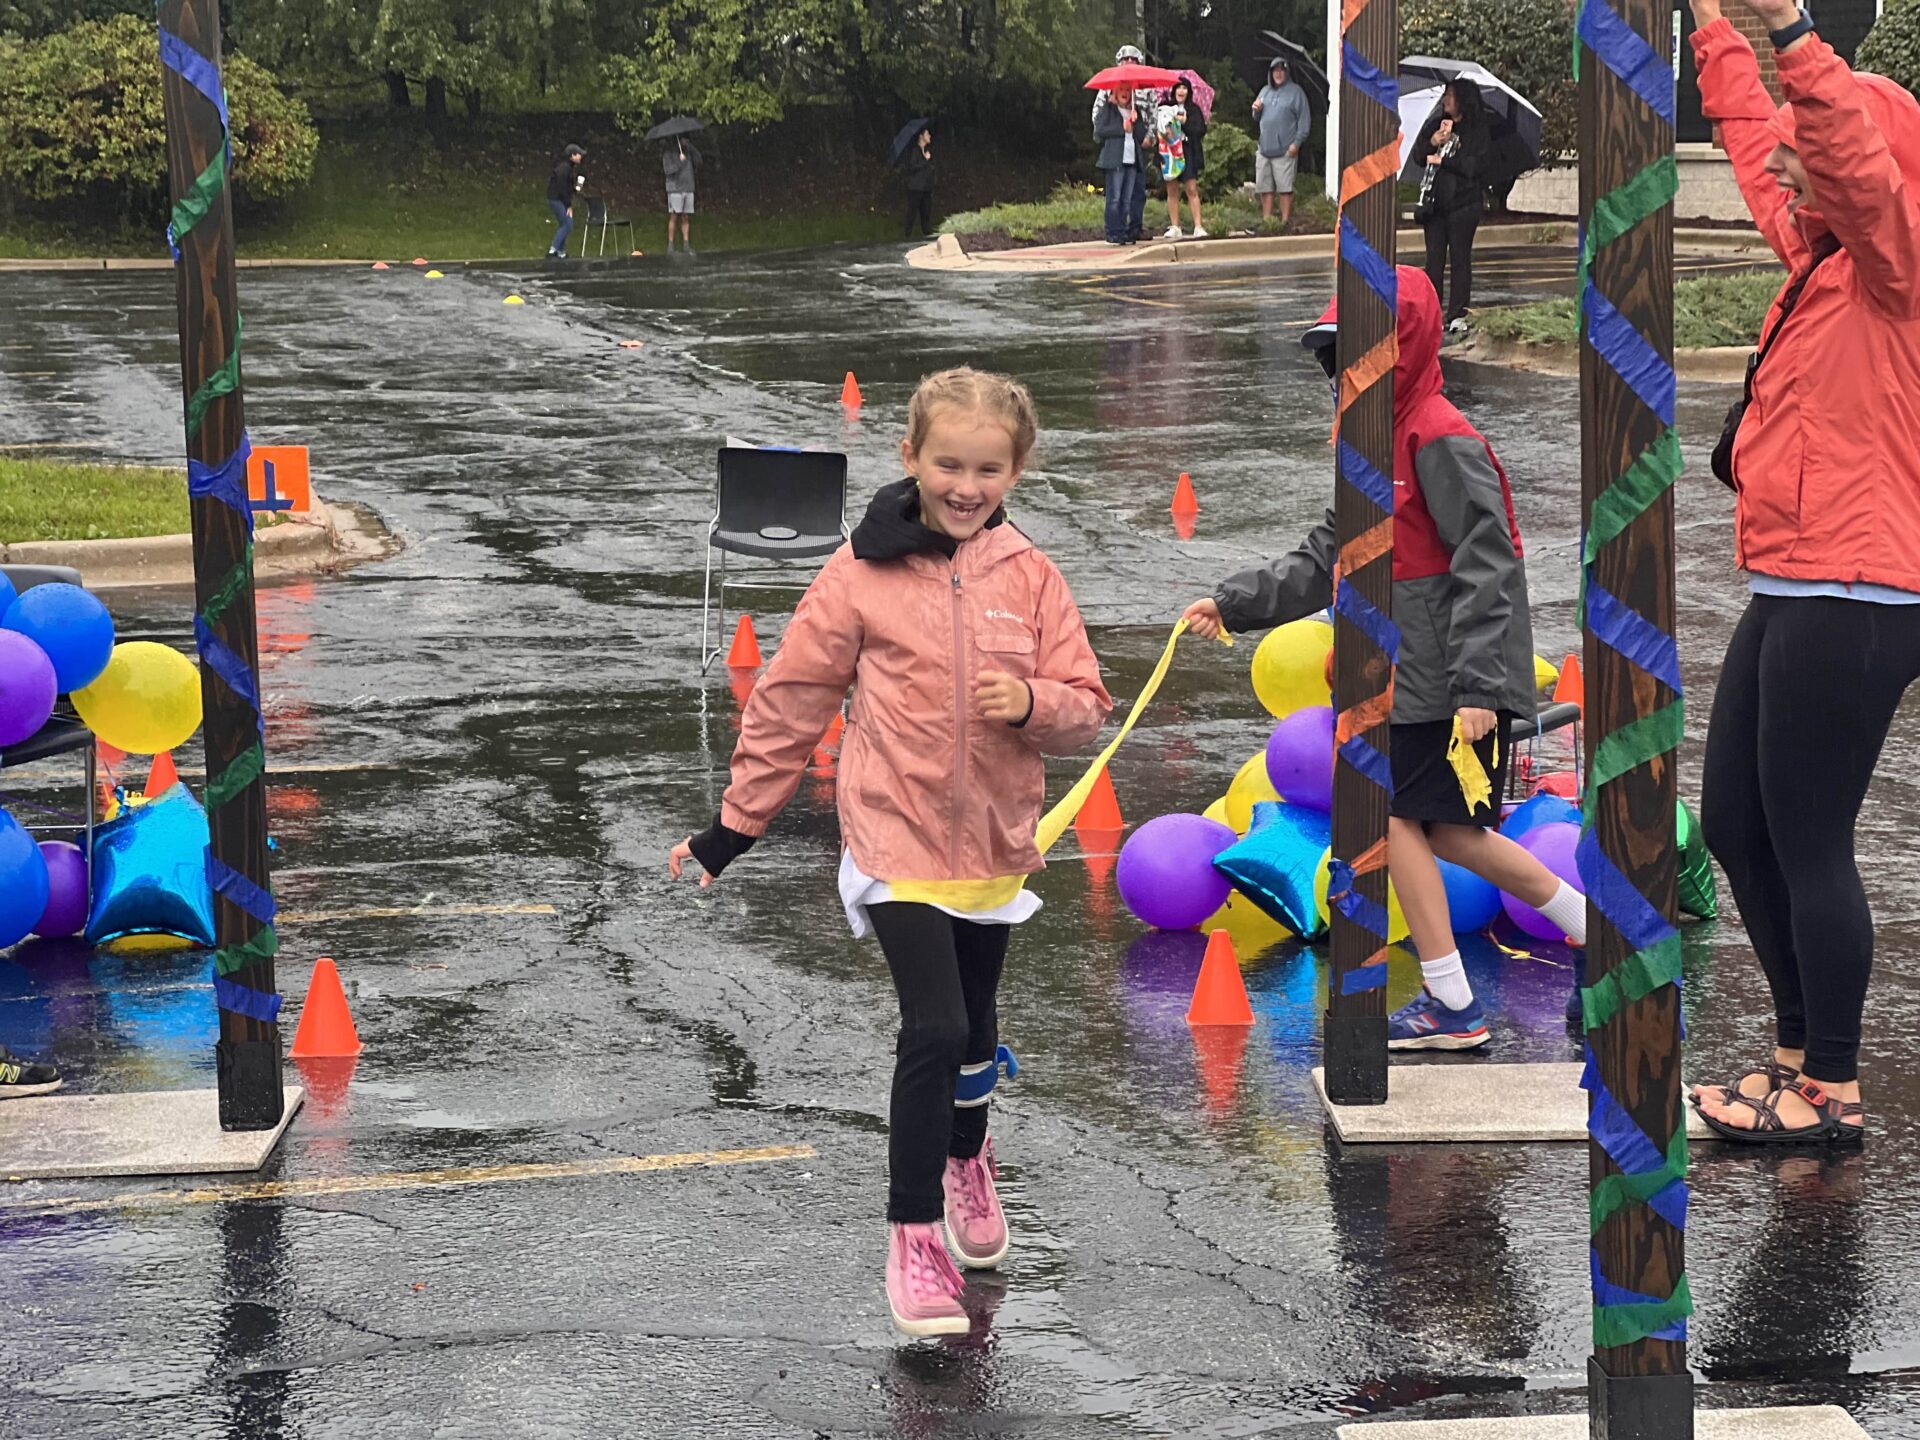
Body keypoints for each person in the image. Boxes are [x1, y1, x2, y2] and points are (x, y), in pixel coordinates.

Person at [669, 368, 1112, 1335]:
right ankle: (912, 1236)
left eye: (988, 469)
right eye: (948, 464)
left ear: (1016, 471)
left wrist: (1033, 704)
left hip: (993, 843)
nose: (966, 485)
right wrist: (733, 828)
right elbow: (791, 698)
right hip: (893, 836)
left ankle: (967, 1157)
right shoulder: (857, 575)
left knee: (979, 1029)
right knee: (937, 1027)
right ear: (910, 458)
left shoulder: (1031, 576)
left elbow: (1085, 704)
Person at [1181, 268, 1586, 1051]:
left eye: (1364, 353)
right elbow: (1328, 553)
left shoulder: (1438, 435)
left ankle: (1452, 1001)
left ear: (1405, 348)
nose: (1347, 373)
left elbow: (1490, 564)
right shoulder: (1370, 440)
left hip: (1442, 683)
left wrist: (1479, 688)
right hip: (1398, 677)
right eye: (1340, 357)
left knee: (1392, 816)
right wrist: (1235, 602)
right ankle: (1593, 933)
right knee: (1450, 834)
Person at [1685, 0, 1920, 1144]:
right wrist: (1712, 25)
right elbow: (1751, 135)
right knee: (1736, 824)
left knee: (1810, 838)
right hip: (1795, 579)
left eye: (1803, 149)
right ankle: (1791, 1058)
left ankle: (1831, 1087)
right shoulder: (1820, 260)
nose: (1782, 163)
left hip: (1861, 587)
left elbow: (1857, 164)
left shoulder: (1893, 266)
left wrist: (1787, 25)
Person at [1417, 81, 1491, 331]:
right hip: (1435, 204)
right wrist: (1432, 141)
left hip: (1464, 203)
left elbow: (1475, 166)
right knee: (1433, 260)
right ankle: (1432, 312)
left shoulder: (1476, 129)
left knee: (1460, 258)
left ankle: (1458, 313)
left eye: (1451, 95)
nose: (1445, 100)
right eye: (1445, 95)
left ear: (1463, 100)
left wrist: (1446, 160)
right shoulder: (1436, 124)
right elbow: (1419, 156)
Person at [1093, 45, 1159, 241]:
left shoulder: (1146, 88)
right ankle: (1115, 231)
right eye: (1126, 59)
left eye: (1133, 59)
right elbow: (1098, 120)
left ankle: (1134, 228)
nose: (1129, 62)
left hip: (1137, 147)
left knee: (1136, 192)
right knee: (1116, 194)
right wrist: (1119, 128)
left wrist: (1149, 135)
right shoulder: (1107, 89)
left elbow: (1154, 114)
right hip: (1116, 150)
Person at [1252, 58, 1311, 226]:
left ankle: (1284, 223)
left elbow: (1304, 121)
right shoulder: (1264, 91)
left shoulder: (1296, 93)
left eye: (1281, 70)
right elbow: (1256, 117)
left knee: (1285, 188)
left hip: (1285, 149)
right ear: (1271, 73)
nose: (1278, 74)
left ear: (1287, 72)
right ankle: (1267, 222)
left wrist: (1296, 144)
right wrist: (1256, 110)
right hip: (1264, 149)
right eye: (1275, 70)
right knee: (1265, 188)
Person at [1094, 85, 1146, 245]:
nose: (1125, 93)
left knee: (1126, 199)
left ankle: (1122, 231)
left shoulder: (1134, 110)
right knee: (1114, 198)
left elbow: (1141, 136)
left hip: (1132, 160)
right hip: (1115, 159)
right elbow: (1100, 131)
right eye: (1121, 89)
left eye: (1128, 90)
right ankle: (1112, 232)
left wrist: (1137, 122)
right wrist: (1121, 129)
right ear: (1115, 92)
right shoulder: (1108, 109)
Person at [1160, 74, 1209, 240]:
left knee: (1191, 188)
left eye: (1184, 88)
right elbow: (1158, 127)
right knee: (1172, 189)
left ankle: (1198, 226)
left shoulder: (1194, 109)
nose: (1181, 91)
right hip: (1170, 153)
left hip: (1188, 152)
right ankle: (1175, 226)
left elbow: (1200, 130)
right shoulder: (1165, 107)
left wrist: (1185, 122)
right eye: (1178, 87)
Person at [546, 143, 585, 259]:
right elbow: (562, 187)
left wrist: (576, 188)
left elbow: (568, 187)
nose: (581, 157)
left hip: (560, 198)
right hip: (556, 198)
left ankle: (561, 252)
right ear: (572, 156)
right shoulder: (564, 168)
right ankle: (553, 250)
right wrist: (568, 205)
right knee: (568, 224)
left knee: (564, 223)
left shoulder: (569, 168)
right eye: (578, 154)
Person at [662, 137, 701, 254]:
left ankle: (686, 244)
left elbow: (699, 161)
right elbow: (668, 170)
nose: (685, 141)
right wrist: (679, 162)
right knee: (674, 215)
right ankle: (670, 245)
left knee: (685, 216)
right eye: (683, 140)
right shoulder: (668, 153)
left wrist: (691, 148)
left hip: (688, 187)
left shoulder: (688, 151)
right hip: (675, 189)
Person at [902, 126, 935, 238]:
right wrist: (925, 160)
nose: (929, 136)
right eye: (927, 134)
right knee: (912, 211)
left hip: (925, 187)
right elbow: (912, 167)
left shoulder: (926, 151)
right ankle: (907, 233)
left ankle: (927, 233)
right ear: (921, 136)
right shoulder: (914, 151)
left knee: (926, 211)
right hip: (915, 187)